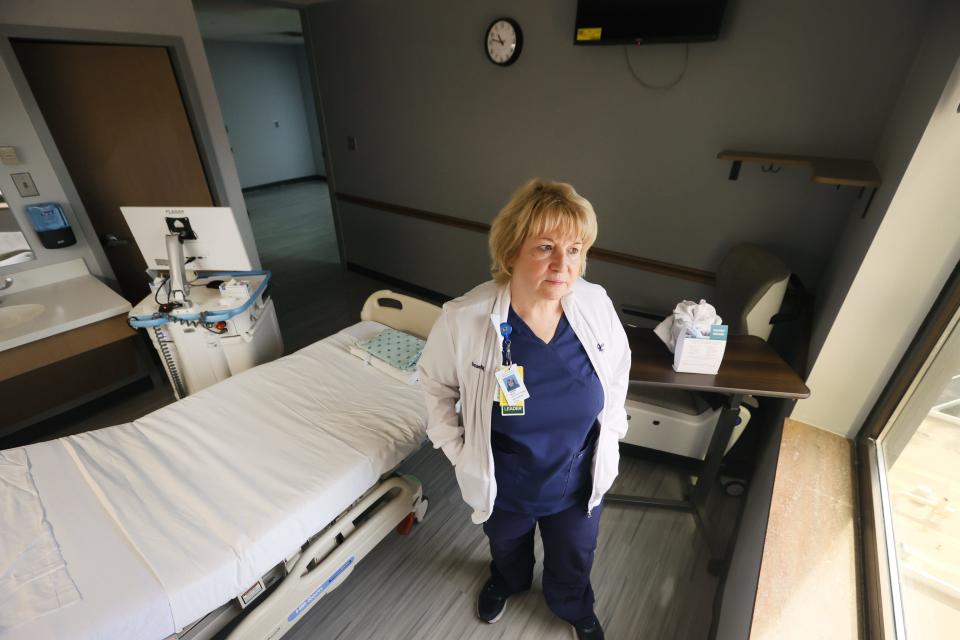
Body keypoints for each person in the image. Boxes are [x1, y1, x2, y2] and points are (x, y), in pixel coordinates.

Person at [418, 178, 631, 640]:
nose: (563, 265)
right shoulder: (465, 318)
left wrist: (612, 434)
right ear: (511, 251)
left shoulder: (595, 306)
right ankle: (507, 581)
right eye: (546, 248)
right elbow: (435, 386)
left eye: (574, 249)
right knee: (506, 543)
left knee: (575, 552)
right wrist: (457, 450)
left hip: (578, 474)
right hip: (505, 474)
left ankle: (572, 604)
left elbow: (617, 374)